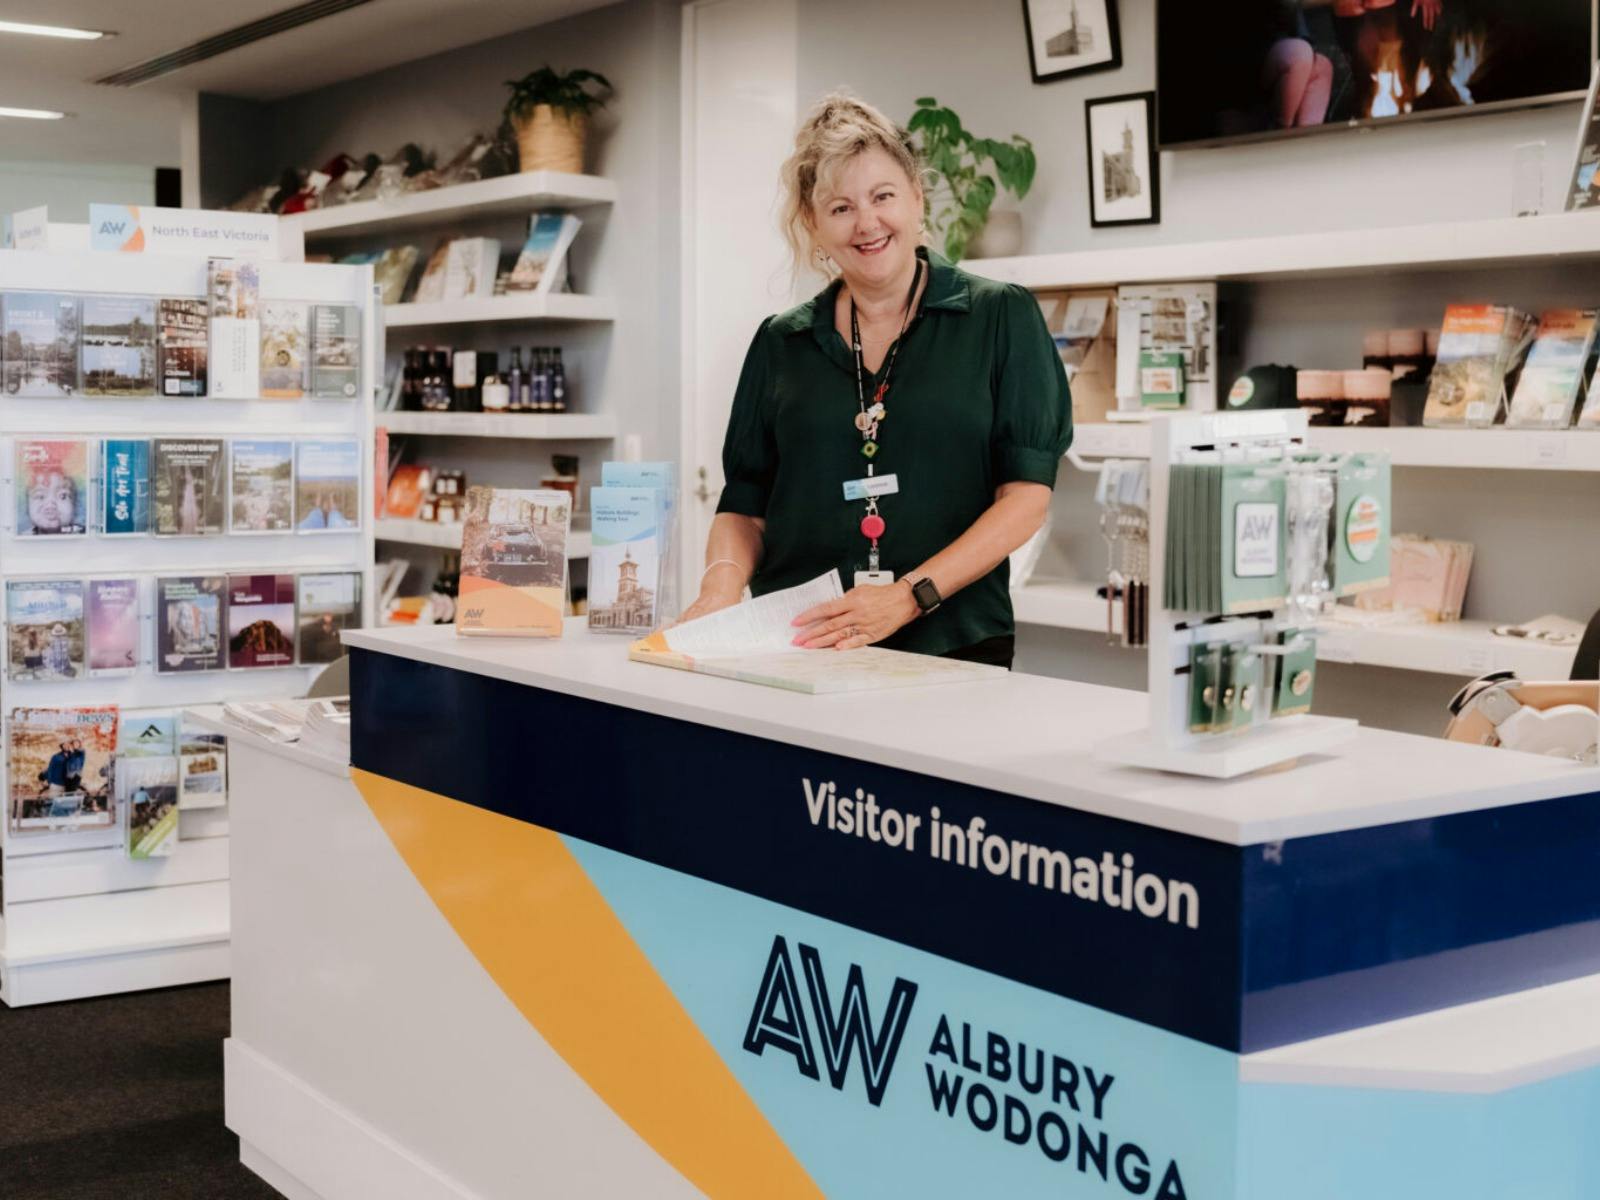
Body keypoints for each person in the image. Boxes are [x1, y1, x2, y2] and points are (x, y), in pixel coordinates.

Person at [679, 93, 1071, 669]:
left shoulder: (999, 317)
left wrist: (909, 597)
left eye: (882, 196)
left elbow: (1026, 499)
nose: (866, 223)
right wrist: (718, 594)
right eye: (840, 208)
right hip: (798, 645)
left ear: (916, 198)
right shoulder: (780, 342)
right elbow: (745, 502)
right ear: (813, 225)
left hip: (953, 645)